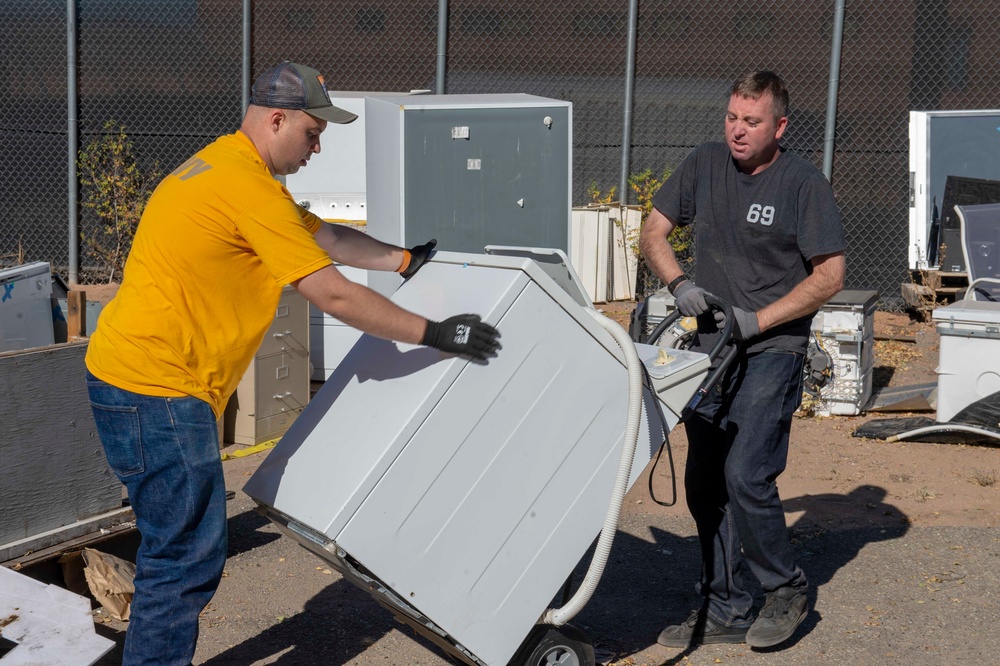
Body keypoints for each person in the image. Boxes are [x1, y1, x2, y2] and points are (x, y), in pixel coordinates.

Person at [84, 61, 501, 666]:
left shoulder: (230, 167)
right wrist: (436, 332)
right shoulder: (245, 187)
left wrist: (404, 259)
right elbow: (330, 292)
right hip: (159, 391)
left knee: (174, 548)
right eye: (312, 132)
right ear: (276, 118)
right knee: (184, 556)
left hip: (135, 377)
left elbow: (325, 238)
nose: (317, 146)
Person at [639, 71, 845, 649]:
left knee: (747, 472)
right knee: (705, 480)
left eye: (751, 121)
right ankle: (725, 607)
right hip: (711, 347)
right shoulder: (704, 164)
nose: (737, 130)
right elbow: (653, 232)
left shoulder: (803, 183)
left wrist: (759, 320)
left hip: (773, 347)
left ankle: (785, 588)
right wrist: (679, 284)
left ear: (779, 125)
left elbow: (830, 275)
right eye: (731, 117)